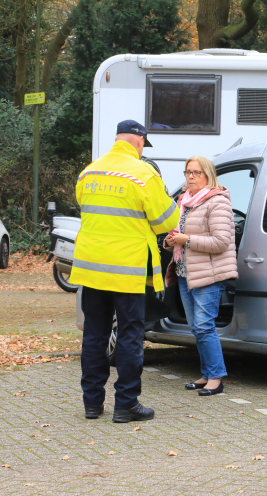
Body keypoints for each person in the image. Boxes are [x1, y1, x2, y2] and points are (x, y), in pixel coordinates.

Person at [72, 119, 180, 423]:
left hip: (91, 269)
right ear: (140, 142)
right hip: (127, 270)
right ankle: (126, 404)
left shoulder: (88, 172)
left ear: (117, 139)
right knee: (130, 334)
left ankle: (92, 404)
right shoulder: (144, 174)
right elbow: (166, 221)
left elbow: (85, 208)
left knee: (95, 335)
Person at [163, 156, 237, 396]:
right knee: (197, 327)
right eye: (187, 172)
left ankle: (216, 378)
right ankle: (207, 373)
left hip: (210, 273)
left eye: (196, 173)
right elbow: (177, 232)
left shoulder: (217, 202)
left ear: (208, 175)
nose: (191, 177)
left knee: (205, 326)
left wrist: (187, 240)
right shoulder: (183, 201)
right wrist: (170, 240)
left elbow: (221, 242)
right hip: (185, 272)